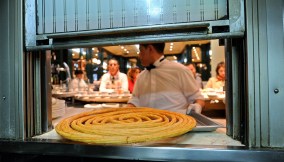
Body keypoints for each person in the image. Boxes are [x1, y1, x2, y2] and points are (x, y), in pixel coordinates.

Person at [127, 43, 205, 114]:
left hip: (177, 124)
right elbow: (135, 99)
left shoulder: (180, 70)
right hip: (147, 124)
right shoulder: (141, 76)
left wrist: (197, 106)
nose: (139, 55)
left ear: (150, 49)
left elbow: (198, 98)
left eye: (141, 51)